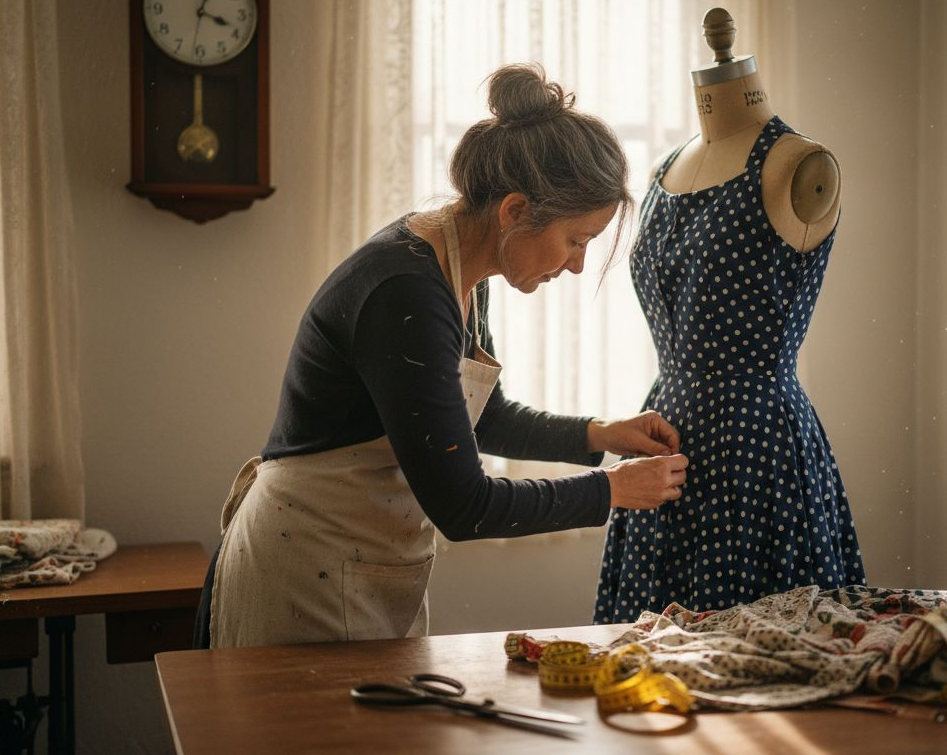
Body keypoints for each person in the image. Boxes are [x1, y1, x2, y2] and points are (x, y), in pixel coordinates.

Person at [198, 63, 689, 648]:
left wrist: (602, 434)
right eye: (576, 240)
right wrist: (612, 490)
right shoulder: (406, 289)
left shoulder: (460, 271)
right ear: (513, 211)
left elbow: (484, 418)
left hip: (355, 560)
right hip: (306, 567)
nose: (578, 264)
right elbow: (465, 506)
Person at [594, 8, 864, 624]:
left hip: (757, 449)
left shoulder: (800, 163)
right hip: (665, 440)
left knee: (760, 662)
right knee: (650, 663)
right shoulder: (666, 170)